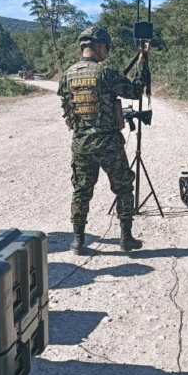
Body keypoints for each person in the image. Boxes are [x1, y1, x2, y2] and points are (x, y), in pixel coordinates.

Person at [58, 26, 149, 254]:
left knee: (81, 191)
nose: (106, 52)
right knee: (124, 187)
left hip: (81, 143)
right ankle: (126, 238)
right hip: (108, 143)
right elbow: (135, 91)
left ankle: (78, 241)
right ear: (99, 46)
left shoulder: (67, 75)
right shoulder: (106, 72)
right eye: (105, 48)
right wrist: (142, 63)